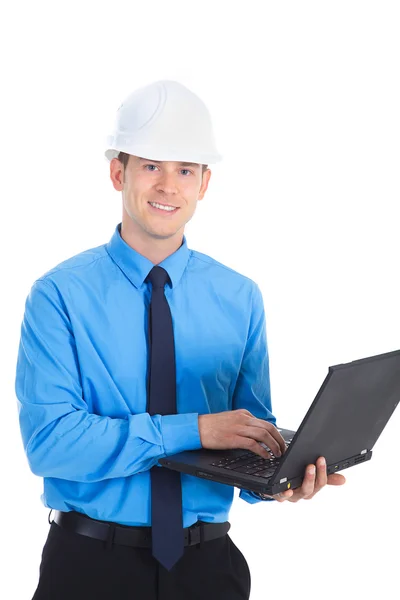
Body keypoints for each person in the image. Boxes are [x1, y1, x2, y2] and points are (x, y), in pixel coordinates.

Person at [15, 79, 346, 600]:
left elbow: (245, 433)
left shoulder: (239, 297)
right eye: (151, 166)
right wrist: (194, 429)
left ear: (204, 182)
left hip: (209, 570)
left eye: (185, 169)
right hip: (88, 569)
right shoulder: (59, 296)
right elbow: (50, 444)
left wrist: (281, 476)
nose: (169, 186)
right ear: (117, 172)